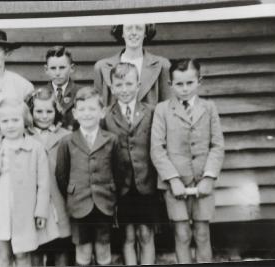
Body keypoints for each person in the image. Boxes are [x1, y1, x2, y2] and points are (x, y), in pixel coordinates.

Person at [0, 99, 59, 267]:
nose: (10, 125)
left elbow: (43, 183)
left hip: (25, 208)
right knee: (2, 253)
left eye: (15, 120)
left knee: (23, 253)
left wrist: (41, 211)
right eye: (5, 121)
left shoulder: (35, 148)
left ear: (25, 121)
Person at [150, 58, 225, 263]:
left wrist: (209, 177)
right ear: (170, 84)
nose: (185, 89)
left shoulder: (209, 108)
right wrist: (173, 179)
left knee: (202, 233)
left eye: (190, 83)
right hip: (175, 185)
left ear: (199, 81)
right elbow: (157, 149)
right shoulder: (163, 110)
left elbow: (217, 145)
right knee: (182, 234)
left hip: (202, 180)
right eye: (179, 84)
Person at [102, 62, 162, 265]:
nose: (124, 89)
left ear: (138, 85)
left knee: (146, 235)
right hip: (122, 187)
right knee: (127, 237)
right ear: (111, 87)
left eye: (129, 84)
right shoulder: (106, 116)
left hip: (147, 185)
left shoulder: (152, 112)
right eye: (119, 85)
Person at [55, 87, 122, 266]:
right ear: (75, 114)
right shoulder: (67, 141)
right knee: (83, 252)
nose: (87, 114)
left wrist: (112, 195)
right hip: (79, 205)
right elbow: (62, 175)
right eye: (82, 110)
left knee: (103, 250)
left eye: (92, 109)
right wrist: (73, 194)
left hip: (104, 204)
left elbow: (119, 172)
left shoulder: (111, 140)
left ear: (102, 112)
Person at [26, 87, 73, 266]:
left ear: (57, 112)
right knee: (35, 246)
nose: (44, 116)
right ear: (30, 112)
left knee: (61, 244)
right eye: (38, 111)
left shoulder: (66, 136)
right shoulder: (24, 135)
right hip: (33, 200)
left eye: (49, 111)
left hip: (59, 199)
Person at [94, 24, 171, 108]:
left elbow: (167, 108)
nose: (134, 32)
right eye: (129, 28)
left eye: (139, 28)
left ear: (145, 33)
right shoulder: (102, 67)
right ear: (122, 33)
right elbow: (98, 108)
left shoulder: (162, 65)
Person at [44, 45, 82, 131]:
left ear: (72, 68)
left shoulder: (81, 93)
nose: (57, 73)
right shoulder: (40, 95)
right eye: (53, 68)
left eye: (62, 68)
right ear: (46, 69)